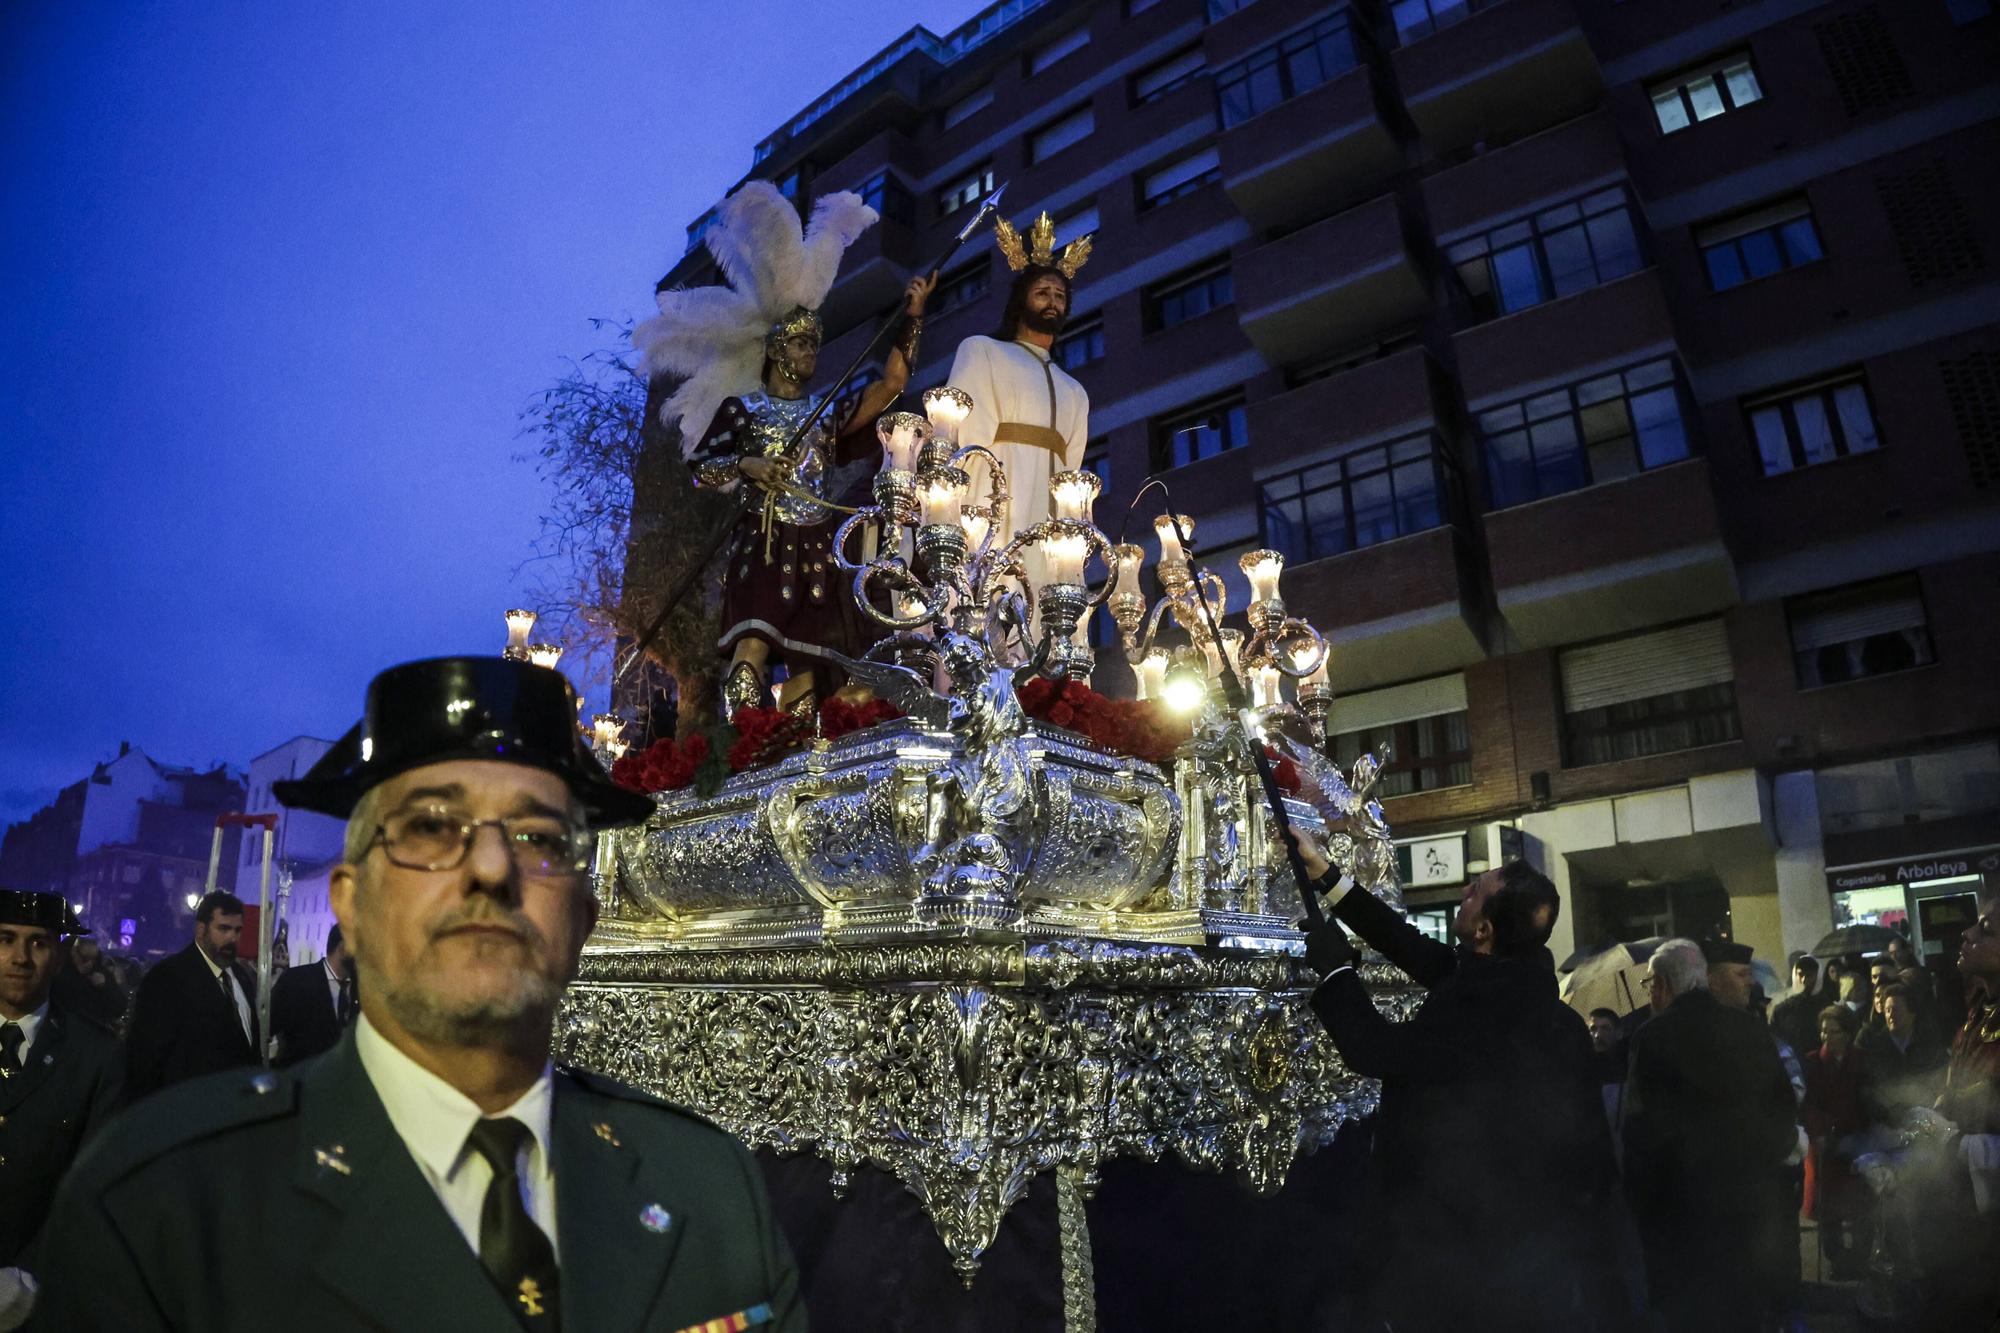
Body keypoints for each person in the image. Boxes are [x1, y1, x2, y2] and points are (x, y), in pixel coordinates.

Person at [31, 656, 802, 1331]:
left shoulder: (708, 1189)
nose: (492, 869)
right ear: (350, 904)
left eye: (539, 837)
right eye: (432, 828)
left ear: (583, 917)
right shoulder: (169, 1201)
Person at [1287, 831, 1621, 1331]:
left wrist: (1335, 970)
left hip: (1461, 1255)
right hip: (1538, 1252)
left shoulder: (1481, 1012)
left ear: (1484, 929)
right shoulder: (1526, 995)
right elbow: (1407, 945)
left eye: (1473, 892)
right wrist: (1327, 875)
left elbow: (1374, 1048)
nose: (1465, 889)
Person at [636, 179, 933, 719]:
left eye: (815, 344)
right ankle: (746, 746)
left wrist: (912, 318)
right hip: (764, 542)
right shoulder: (742, 409)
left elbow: (889, 386)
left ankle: (788, 757)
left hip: (817, 547)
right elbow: (702, 470)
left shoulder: (824, 413)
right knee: (751, 651)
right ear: (776, 350)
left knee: (809, 666)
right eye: (800, 342)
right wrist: (747, 462)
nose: (810, 352)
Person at [1623, 938, 1798, 1333]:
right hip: (1750, 1217)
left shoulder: (1652, 1038)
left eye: (1650, 984)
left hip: (1682, 1225)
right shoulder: (1750, 1030)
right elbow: (1782, 1112)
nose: (1650, 993)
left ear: (1664, 985)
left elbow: (1640, 1136)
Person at [945, 212, 1093, 594]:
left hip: (1053, 527)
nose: (1052, 302)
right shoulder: (983, 351)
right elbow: (966, 440)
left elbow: (1071, 472)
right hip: (996, 503)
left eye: (1060, 296)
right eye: (1043, 292)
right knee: (992, 603)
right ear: (1021, 300)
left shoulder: (1074, 390)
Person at [0, 889, 121, 1332]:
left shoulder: (97, 1057)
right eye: (5, 939)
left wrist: (27, 1276)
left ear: (59, 955)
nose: (20, 958)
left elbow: (95, 1184)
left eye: (38, 943)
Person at [120, 890, 261, 1103]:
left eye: (237, 930)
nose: (232, 938)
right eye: (223, 928)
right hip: (187, 1112)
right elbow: (145, 1059)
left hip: (236, 1112)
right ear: (200, 930)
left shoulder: (241, 977)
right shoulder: (168, 978)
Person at [1801, 1004, 1868, 1278]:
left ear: (1847, 1033)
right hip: (1826, 1141)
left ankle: (1860, 1258)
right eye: (1823, 1031)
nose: (1826, 1036)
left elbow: (1867, 1097)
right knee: (1829, 1205)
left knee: (1862, 1201)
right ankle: (1836, 1259)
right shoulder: (1813, 1062)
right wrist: (1819, 1129)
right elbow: (1808, 1105)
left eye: (1833, 1031)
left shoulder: (1861, 1060)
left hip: (1856, 1138)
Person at [1856, 983, 1947, 1128]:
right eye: (1887, 1010)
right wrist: (1884, 1113)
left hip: (1926, 1116)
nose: (1891, 1015)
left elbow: (1942, 1078)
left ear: (1912, 1012)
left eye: (1896, 1010)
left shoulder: (1928, 1042)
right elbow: (1864, 1087)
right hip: (1885, 1122)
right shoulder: (1874, 1045)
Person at [269, 922, 356, 1067]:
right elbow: (268, 1029)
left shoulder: (363, 990)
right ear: (343, 949)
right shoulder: (296, 981)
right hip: (301, 1082)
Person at [48, 933, 128, 1031]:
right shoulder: (58, 972)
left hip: (93, 1034)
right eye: (85, 958)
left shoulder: (101, 972)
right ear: (74, 952)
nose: (89, 963)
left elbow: (119, 1007)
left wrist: (105, 986)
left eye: (93, 959)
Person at [1770, 954, 1823, 1058]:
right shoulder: (1783, 1009)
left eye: (1809, 975)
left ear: (1818, 976)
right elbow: (1777, 1040)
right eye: (1800, 975)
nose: (1803, 980)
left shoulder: (1826, 1005)